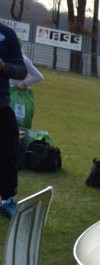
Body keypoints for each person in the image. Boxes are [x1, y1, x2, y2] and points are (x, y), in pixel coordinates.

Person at [0, 22, 26, 219]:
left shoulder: (6, 34)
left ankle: (7, 200)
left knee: (8, 151)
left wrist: (5, 66)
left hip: (1, 103)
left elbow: (21, 70)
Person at [9, 38, 43, 130]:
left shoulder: (24, 60)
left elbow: (38, 76)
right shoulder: (6, 58)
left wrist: (24, 83)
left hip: (18, 94)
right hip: (6, 93)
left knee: (17, 123)